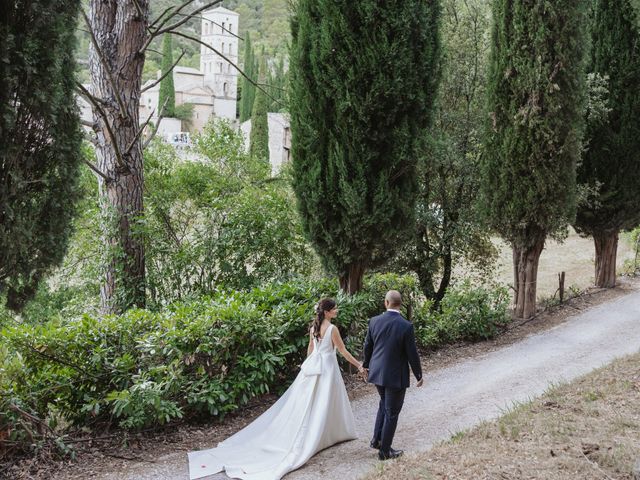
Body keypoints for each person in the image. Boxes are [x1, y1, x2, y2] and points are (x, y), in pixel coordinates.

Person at [188, 298, 364, 480]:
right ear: (326, 312)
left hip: (314, 366)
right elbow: (342, 351)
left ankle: (325, 434)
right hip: (327, 367)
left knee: (314, 402)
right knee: (325, 401)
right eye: (334, 309)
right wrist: (358, 364)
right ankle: (322, 435)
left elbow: (311, 349)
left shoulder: (314, 327)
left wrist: (307, 367)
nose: (337, 311)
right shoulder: (332, 329)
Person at [362, 290, 424, 461]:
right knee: (392, 412)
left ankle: (377, 440)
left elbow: (368, 346)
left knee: (384, 404)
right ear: (400, 304)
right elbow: (412, 353)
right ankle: (385, 451)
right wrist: (418, 374)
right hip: (395, 376)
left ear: (386, 303)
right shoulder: (406, 326)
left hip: (376, 373)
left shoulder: (374, 321)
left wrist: (365, 366)